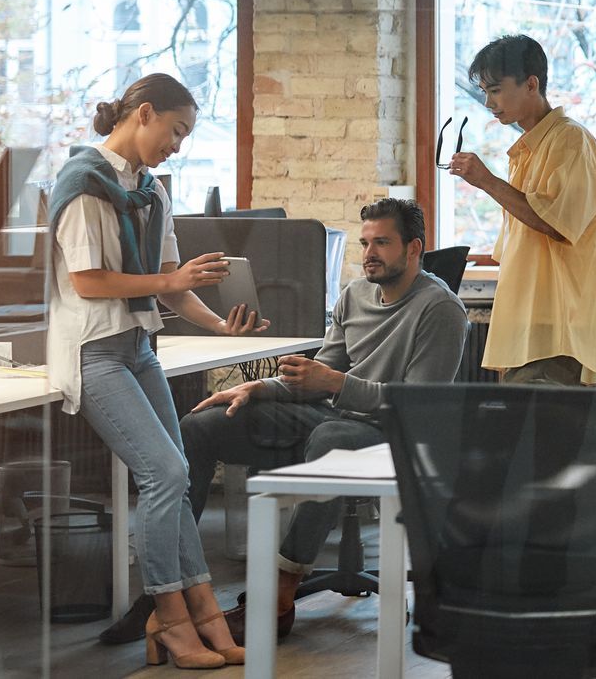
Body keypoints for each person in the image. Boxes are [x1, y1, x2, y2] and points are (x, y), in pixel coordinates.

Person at [45, 73, 270, 668]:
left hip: (138, 347)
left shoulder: (149, 189)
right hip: (93, 350)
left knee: (176, 475)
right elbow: (89, 283)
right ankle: (169, 619)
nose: (178, 144)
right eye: (176, 131)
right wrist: (171, 281)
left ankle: (205, 614)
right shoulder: (84, 183)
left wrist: (220, 325)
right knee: (166, 472)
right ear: (143, 113)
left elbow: (170, 285)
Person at [177, 198, 467, 639]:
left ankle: (279, 592)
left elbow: (418, 404)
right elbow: (316, 379)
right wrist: (258, 388)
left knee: (331, 439)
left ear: (413, 249)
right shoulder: (354, 295)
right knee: (200, 426)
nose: (369, 253)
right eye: (366, 242)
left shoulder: (440, 310)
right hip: (330, 414)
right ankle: (178, 587)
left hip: (394, 431)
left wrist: (333, 383)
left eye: (382, 243)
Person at [446, 34, 596, 385]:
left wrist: (487, 181)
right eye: (484, 92)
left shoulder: (570, 140)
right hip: (527, 327)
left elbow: (557, 224)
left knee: (541, 436)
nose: (489, 102)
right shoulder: (527, 148)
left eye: (495, 89)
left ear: (531, 84)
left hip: (556, 328)